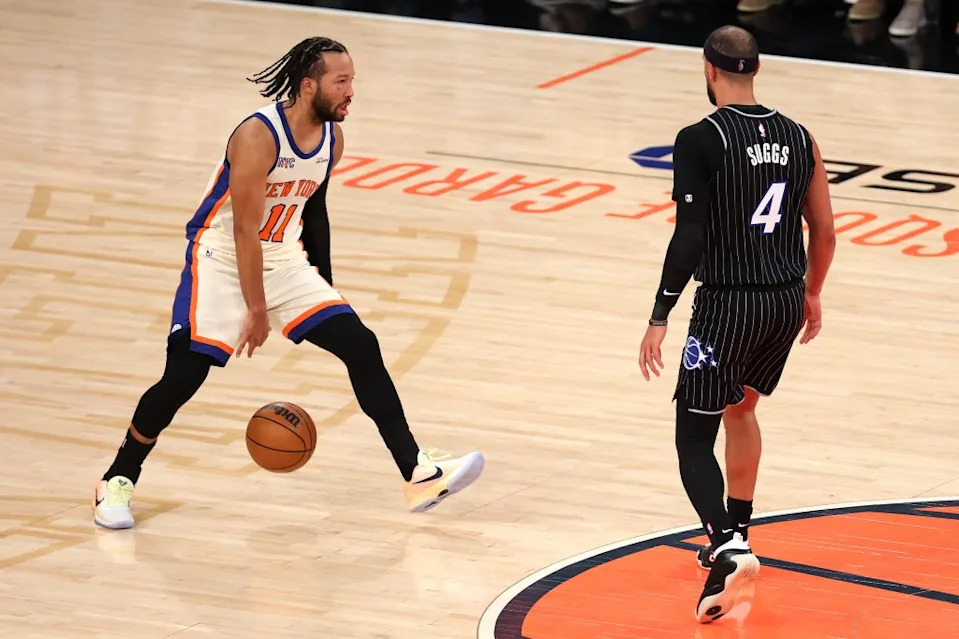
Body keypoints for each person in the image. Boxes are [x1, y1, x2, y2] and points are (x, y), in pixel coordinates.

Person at [92, 37, 485, 529]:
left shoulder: (332, 141)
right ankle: (118, 478)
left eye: (352, 80)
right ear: (308, 85)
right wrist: (256, 311)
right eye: (341, 81)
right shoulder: (258, 136)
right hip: (220, 256)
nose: (351, 92)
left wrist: (327, 288)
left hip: (281, 256)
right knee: (184, 377)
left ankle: (418, 472)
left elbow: (314, 211)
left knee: (360, 344)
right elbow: (242, 229)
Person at [637, 25, 837, 623]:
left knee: (692, 434)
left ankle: (727, 545)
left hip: (727, 304)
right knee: (741, 411)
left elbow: (690, 236)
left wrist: (660, 313)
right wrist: (812, 293)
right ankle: (739, 534)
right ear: (757, 69)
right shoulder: (800, 136)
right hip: (782, 302)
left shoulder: (701, 138)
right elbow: (824, 231)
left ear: (709, 69)